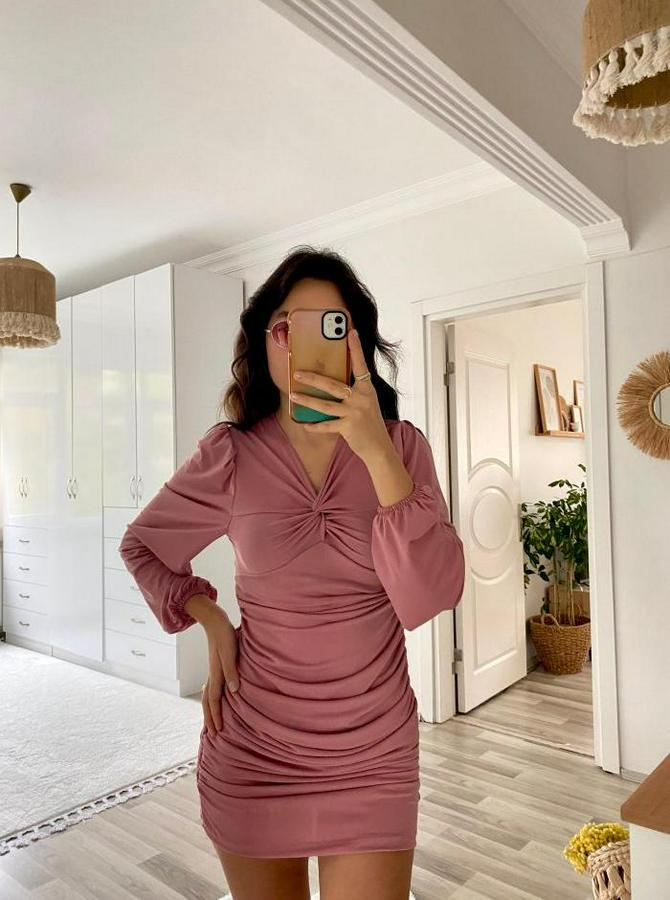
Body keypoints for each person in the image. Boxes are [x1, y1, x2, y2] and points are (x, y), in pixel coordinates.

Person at [118, 246, 466, 900]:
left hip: (374, 754)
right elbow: (143, 546)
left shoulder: (403, 448)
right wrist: (209, 618)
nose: (305, 347)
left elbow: (430, 596)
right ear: (264, 342)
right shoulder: (230, 454)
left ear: (357, 346)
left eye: (333, 327)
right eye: (287, 327)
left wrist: (375, 452)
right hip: (253, 751)